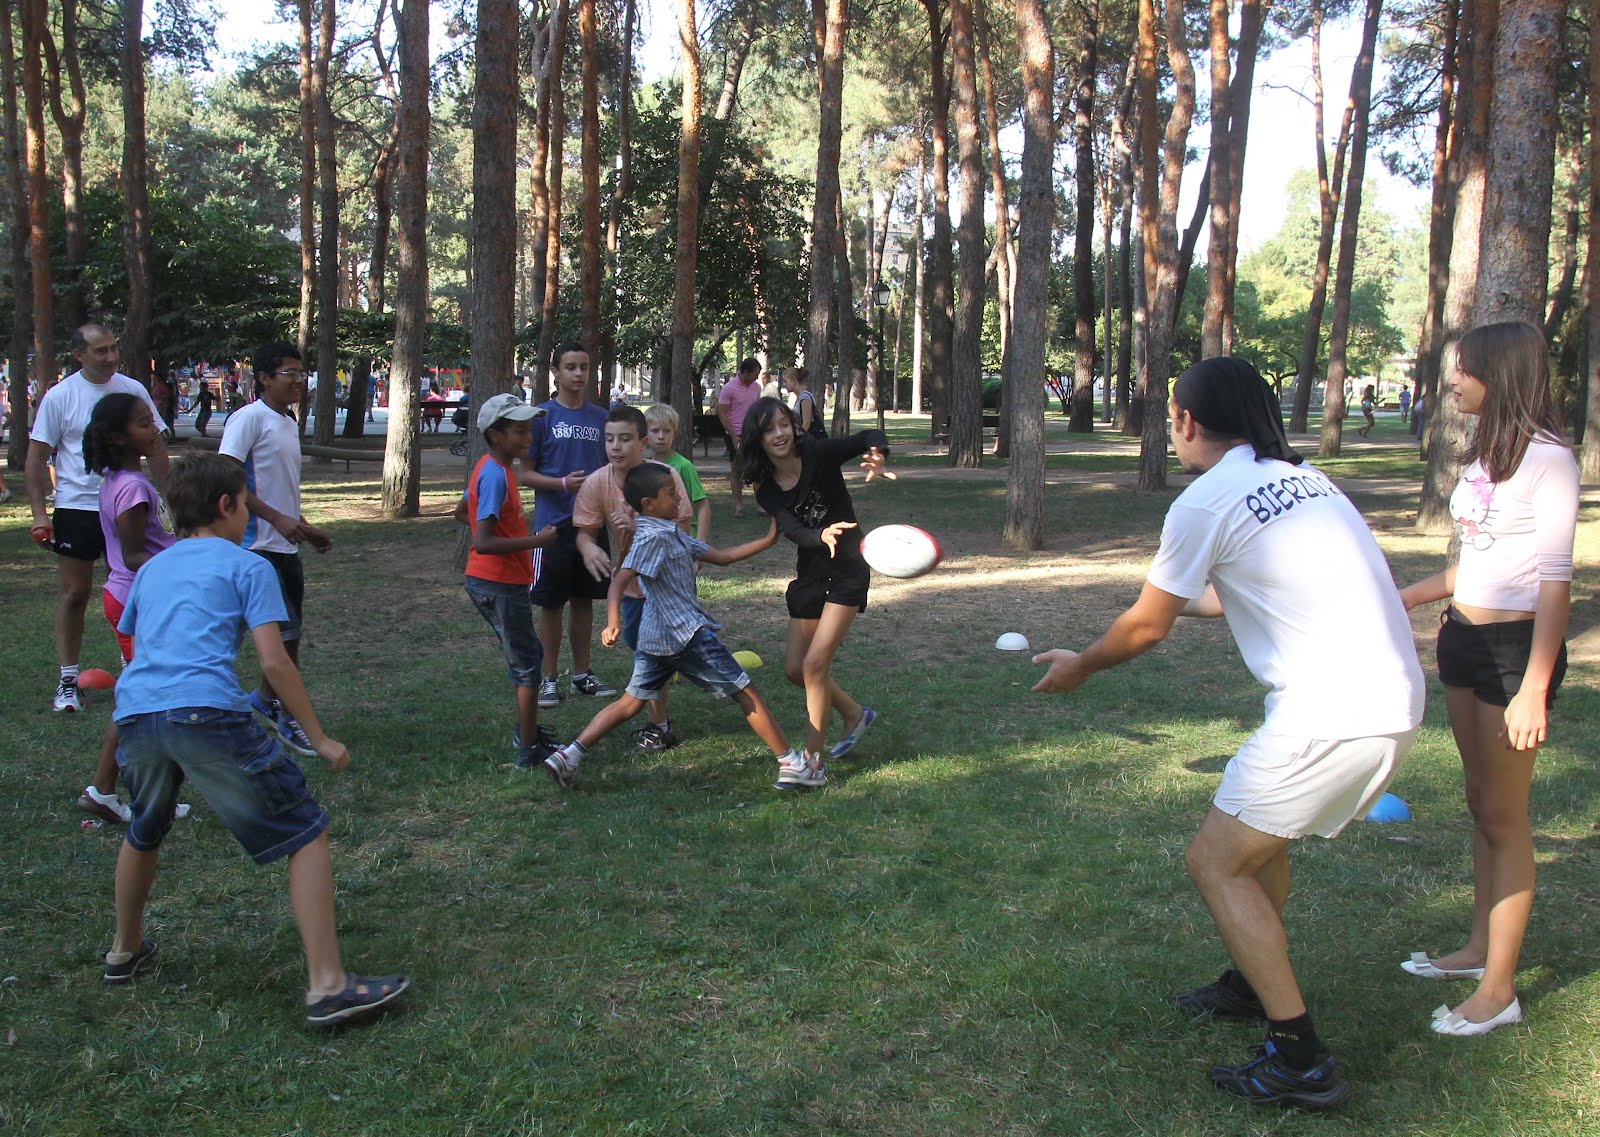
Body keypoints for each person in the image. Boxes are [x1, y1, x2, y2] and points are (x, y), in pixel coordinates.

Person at [1032, 357, 1423, 1110]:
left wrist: (1083, 663)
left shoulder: (1206, 499)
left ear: (1183, 420)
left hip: (1332, 713)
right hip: (1391, 701)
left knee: (1217, 862)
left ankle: (1300, 1058)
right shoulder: (1303, 479)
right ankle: (1250, 983)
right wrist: (1169, 600)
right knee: (1258, 845)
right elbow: (1232, 586)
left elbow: (1146, 628)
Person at [102, 451, 407, 1026]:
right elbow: (274, 662)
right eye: (245, 503)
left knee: (145, 828)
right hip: (207, 716)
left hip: (138, 715)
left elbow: (138, 648)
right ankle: (329, 985)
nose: (249, 515)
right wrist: (317, 738)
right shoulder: (249, 566)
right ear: (226, 506)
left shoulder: (151, 570)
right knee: (306, 831)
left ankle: (123, 950)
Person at [1396, 322, 1578, 1037]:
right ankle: (1477, 949)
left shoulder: (1550, 460)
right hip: (1464, 639)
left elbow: (1556, 584)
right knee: (1480, 803)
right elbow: (1475, 563)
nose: (1454, 383)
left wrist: (1534, 684)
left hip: (1514, 650)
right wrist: (1410, 595)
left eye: (1465, 371)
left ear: (1501, 375)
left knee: (1506, 815)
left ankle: (1499, 990)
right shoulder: (1485, 460)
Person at [542, 462, 802, 789]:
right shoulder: (652, 538)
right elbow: (620, 579)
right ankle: (792, 764)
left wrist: (767, 540)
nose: (679, 496)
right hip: (686, 635)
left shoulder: (670, 531)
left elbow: (719, 556)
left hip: (657, 640)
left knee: (629, 704)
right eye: (670, 492)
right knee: (744, 690)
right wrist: (613, 621)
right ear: (649, 504)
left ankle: (568, 757)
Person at [738, 397, 893, 786]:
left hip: (847, 571)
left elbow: (868, 435)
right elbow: (792, 530)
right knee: (795, 669)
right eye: (769, 429)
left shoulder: (819, 453)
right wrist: (818, 535)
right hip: (810, 572)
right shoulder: (767, 489)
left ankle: (812, 763)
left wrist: (878, 454)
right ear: (757, 439)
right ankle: (855, 713)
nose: (779, 434)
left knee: (813, 666)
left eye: (784, 424)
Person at [27, 324, 170, 713]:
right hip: (79, 505)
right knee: (75, 594)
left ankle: (133, 663)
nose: (110, 357)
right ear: (79, 355)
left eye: (113, 349)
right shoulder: (60, 396)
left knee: (135, 588)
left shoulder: (132, 390)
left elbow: (156, 445)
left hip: (130, 504)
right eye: (100, 351)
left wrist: (172, 497)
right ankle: (68, 681)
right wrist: (41, 513)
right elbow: (37, 458)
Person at [75, 394, 186, 825]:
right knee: (142, 701)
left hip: (131, 598)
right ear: (121, 437)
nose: (154, 428)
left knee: (148, 697)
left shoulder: (121, 480)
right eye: (144, 423)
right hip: (138, 602)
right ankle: (108, 790)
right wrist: (187, 562)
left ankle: (127, 789)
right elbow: (135, 554)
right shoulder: (133, 488)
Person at [219, 343, 332, 759]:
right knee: (282, 641)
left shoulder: (286, 422)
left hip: (284, 544)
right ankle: (289, 718)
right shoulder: (248, 419)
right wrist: (275, 520)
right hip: (255, 547)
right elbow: (227, 479)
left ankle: (265, 702)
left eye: (302, 373)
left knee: (292, 635)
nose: (298, 380)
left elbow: (279, 489)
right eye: (289, 372)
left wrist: (300, 526)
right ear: (264, 378)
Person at [574, 406, 695, 753]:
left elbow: (682, 533)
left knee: (648, 654)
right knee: (642, 647)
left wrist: (643, 525)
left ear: (642, 443)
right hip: (628, 586)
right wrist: (588, 549)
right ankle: (670, 690)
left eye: (625, 439)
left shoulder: (665, 477)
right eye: (610, 439)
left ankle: (659, 726)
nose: (616, 447)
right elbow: (584, 531)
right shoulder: (598, 482)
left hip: (666, 586)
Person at [459, 393, 560, 769]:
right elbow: (482, 542)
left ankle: (529, 733)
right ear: (495, 434)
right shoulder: (494, 475)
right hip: (498, 583)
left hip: (500, 581)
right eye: (519, 431)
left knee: (528, 656)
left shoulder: (492, 469)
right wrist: (536, 540)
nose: (528, 437)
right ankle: (528, 750)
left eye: (529, 428)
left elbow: (462, 511)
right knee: (528, 664)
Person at [518, 341, 619, 709]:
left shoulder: (601, 418)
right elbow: (525, 473)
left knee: (584, 600)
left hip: (591, 528)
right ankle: (548, 679)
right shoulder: (541, 417)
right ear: (556, 372)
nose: (578, 374)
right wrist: (561, 484)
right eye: (571, 367)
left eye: (584, 367)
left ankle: (582, 674)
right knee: (550, 604)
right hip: (552, 528)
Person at [645, 403, 712, 542]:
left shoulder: (683, 466)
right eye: (655, 431)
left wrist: (700, 543)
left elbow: (703, 505)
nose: (661, 436)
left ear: (674, 434)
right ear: (645, 434)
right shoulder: (645, 466)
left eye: (667, 431)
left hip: (683, 537)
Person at [716, 358, 764, 518]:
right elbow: (722, 413)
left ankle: (760, 504)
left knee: (757, 468)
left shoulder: (756, 388)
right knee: (736, 470)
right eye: (755, 374)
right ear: (745, 372)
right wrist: (733, 435)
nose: (757, 377)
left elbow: (757, 410)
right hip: (734, 434)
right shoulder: (729, 388)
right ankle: (738, 506)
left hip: (753, 434)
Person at [783, 367, 826, 439]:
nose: (784, 385)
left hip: (812, 440)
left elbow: (806, 424)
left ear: (794, 381)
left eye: (786, 381)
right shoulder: (800, 397)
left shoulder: (805, 398)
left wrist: (796, 438)